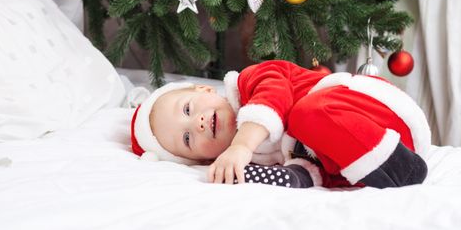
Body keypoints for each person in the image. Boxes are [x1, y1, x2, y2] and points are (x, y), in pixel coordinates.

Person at [130, 60, 429, 189]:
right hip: (367, 158)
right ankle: (301, 178)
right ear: (204, 158)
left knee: (305, 115)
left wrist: (240, 146)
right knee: (318, 166)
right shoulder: (258, 154)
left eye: (187, 109)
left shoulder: (250, 81)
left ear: (204, 90)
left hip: (379, 113)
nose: (196, 124)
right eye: (186, 140)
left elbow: (275, 96)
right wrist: (296, 176)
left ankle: (405, 171)